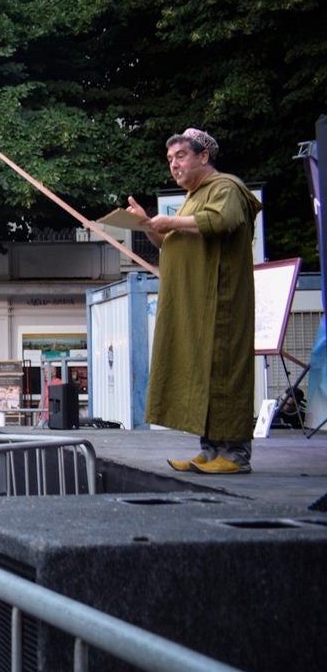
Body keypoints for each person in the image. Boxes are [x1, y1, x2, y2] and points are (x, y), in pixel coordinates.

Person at [126, 127, 262, 474]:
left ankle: (234, 454)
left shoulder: (226, 187)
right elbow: (169, 243)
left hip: (221, 302)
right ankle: (210, 448)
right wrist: (146, 224)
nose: (174, 164)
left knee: (222, 372)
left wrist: (171, 221)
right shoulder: (194, 196)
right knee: (201, 372)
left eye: (181, 156)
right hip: (195, 303)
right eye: (170, 159)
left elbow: (223, 220)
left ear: (204, 156)